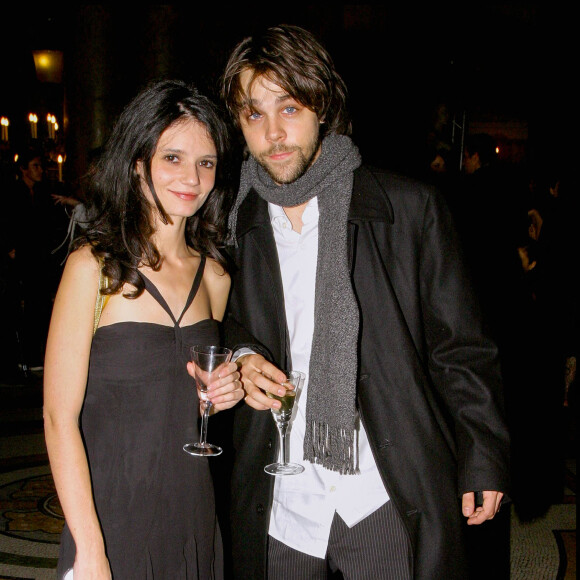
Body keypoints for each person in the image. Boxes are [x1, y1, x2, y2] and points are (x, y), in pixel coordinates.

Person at [213, 24, 510, 580]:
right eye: (254, 114)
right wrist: (241, 357)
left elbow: (462, 347)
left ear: (321, 106)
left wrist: (482, 456)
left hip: (382, 489)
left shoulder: (407, 208)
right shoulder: (235, 221)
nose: (274, 133)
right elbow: (224, 323)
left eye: (290, 107)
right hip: (281, 496)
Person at [43, 79, 244, 579]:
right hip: (109, 517)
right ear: (137, 165)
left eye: (206, 162)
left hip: (193, 510)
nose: (192, 178)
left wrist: (225, 390)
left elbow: (203, 394)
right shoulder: (92, 268)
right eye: (172, 158)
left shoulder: (215, 276)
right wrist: (90, 550)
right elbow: (56, 417)